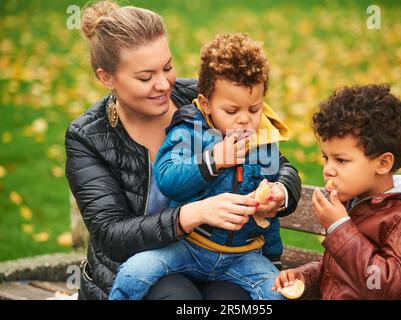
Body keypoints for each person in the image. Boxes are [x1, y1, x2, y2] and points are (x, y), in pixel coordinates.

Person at [65, 1, 301, 300]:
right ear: (106, 77)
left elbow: (277, 163)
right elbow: (112, 235)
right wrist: (193, 213)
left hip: (223, 255)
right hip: (138, 263)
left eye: (168, 67)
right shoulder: (89, 136)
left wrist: (281, 192)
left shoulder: (205, 99)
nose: (163, 84)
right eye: (145, 77)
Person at [273, 84, 401, 299]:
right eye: (326, 157)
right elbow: (341, 268)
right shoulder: (357, 199)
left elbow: (388, 286)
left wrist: (340, 228)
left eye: (341, 160)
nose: (328, 170)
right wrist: (305, 276)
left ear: (383, 163)